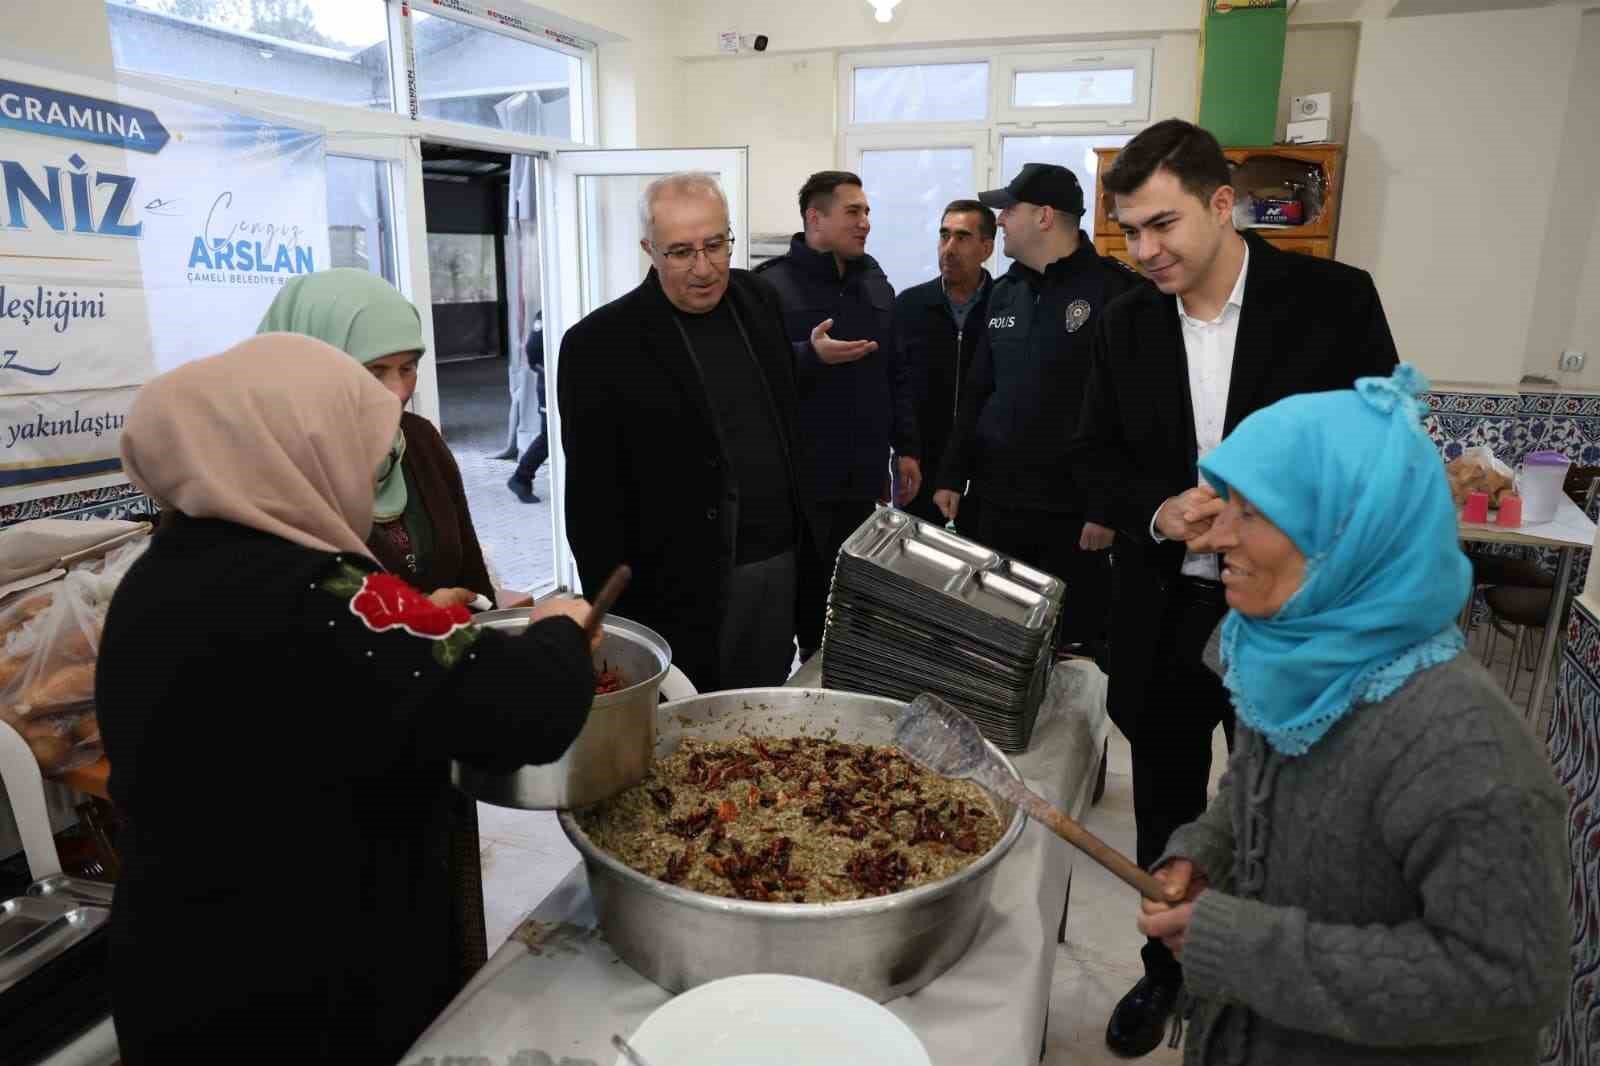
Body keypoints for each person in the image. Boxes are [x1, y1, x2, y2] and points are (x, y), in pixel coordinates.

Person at [98, 335, 599, 1065]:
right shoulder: (324, 595)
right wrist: (559, 631)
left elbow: (317, 691)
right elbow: (523, 711)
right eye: (359, 455)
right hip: (303, 998)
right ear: (297, 456)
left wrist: (420, 617)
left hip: (175, 971)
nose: (367, 481)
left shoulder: (157, 578)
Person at [1068, 118, 1400, 1056]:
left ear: (1223, 206)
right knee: (1170, 808)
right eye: (1130, 231)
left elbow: (1381, 445)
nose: (1144, 251)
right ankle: (1165, 975)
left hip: (1294, 620)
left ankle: (1274, 990)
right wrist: (1160, 512)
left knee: (1289, 811)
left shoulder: (1332, 301)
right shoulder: (1125, 323)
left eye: (1161, 226)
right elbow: (1088, 463)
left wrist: (1277, 516)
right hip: (1165, 614)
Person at [1134, 366, 1569, 1065]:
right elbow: (1259, 778)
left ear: (1347, 535)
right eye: (1225, 508)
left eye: (1252, 514)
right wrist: (1206, 852)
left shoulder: (1464, 748)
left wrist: (1246, 949)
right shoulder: (1302, 660)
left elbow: (1509, 979)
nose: (1214, 541)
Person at [559, 172, 816, 692]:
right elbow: (592, 507)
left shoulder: (759, 300)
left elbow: (786, 429)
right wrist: (619, 623)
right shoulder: (599, 346)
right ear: (648, 250)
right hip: (679, 591)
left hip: (775, 569)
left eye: (715, 246)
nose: (704, 269)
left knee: (762, 713)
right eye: (680, 253)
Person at [932, 164, 1143, 658]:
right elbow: (979, 392)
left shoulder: (1117, 293)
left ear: (1045, 216)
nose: (1000, 219)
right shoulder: (1004, 292)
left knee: (1070, 654)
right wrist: (951, 474)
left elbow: (1132, 414)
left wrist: (1106, 507)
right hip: (997, 507)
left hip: (1073, 519)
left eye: (1010, 209)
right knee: (995, 643)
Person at [755, 171, 919, 658]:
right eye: (854, 212)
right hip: (799, 489)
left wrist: (907, 448)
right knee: (801, 607)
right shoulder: (770, 287)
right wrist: (809, 355)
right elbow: (754, 376)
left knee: (850, 607)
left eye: (867, 212)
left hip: (861, 481)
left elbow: (897, 372)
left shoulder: (875, 282)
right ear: (815, 218)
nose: (865, 222)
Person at [258, 268, 494, 603]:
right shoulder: (261, 482)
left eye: (408, 368)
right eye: (373, 371)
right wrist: (420, 620)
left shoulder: (419, 441)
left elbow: (471, 576)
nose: (397, 393)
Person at [893, 199, 995, 529]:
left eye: (962, 237)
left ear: (987, 247)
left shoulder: (1006, 306)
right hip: (919, 468)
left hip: (984, 474)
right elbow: (897, 385)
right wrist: (905, 449)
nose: (949, 248)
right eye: (944, 236)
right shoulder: (910, 305)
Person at [507, 310, 548, 504]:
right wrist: (547, 372)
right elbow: (533, 350)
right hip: (549, 384)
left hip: (556, 382)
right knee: (549, 437)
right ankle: (521, 478)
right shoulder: (547, 311)